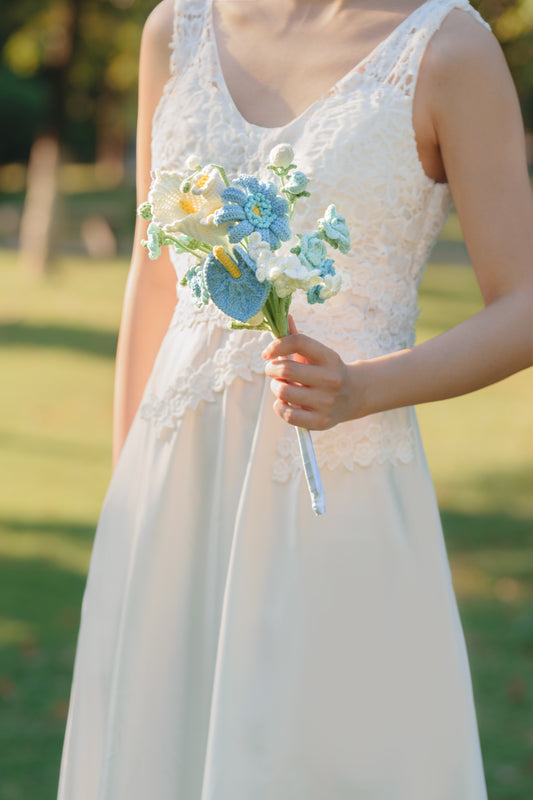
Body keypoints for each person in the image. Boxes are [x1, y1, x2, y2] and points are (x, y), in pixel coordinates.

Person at [57, 0, 533, 797]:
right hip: (177, 491)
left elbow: (522, 303)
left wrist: (362, 388)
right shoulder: (173, 30)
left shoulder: (447, 47)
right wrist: (130, 510)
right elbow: (152, 282)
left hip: (334, 489)